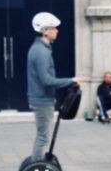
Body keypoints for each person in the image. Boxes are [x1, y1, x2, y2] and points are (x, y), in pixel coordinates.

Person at [27, 12, 79, 161]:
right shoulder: (41, 52)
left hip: (43, 99)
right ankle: (36, 169)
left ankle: (37, 166)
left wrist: (52, 96)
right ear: (45, 31)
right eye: (54, 28)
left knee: (43, 136)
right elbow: (47, 80)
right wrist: (71, 80)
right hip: (41, 101)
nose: (57, 31)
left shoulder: (41, 49)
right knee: (43, 137)